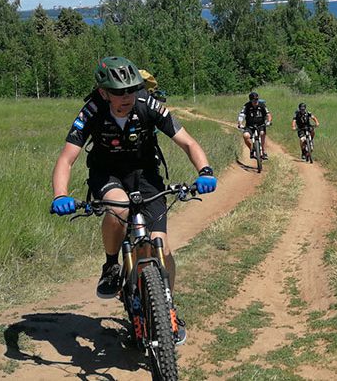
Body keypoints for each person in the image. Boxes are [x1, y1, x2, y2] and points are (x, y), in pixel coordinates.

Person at [50, 56, 217, 345]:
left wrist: (204, 171)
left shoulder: (147, 105)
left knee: (161, 245)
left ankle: (167, 307)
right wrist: (60, 194)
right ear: (104, 92)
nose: (126, 97)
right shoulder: (92, 110)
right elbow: (67, 158)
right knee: (118, 208)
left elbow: (187, 141)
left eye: (131, 89)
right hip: (108, 173)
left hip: (146, 174)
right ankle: (112, 265)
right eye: (118, 92)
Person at [237, 91, 272, 160]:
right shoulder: (247, 106)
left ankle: (264, 152)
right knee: (246, 136)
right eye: (254, 100)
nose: (255, 101)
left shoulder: (262, 105)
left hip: (260, 125)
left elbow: (268, 114)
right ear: (250, 100)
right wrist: (240, 124)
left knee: (262, 133)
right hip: (250, 126)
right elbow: (242, 115)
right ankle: (252, 150)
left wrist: (269, 121)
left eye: (257, 99)